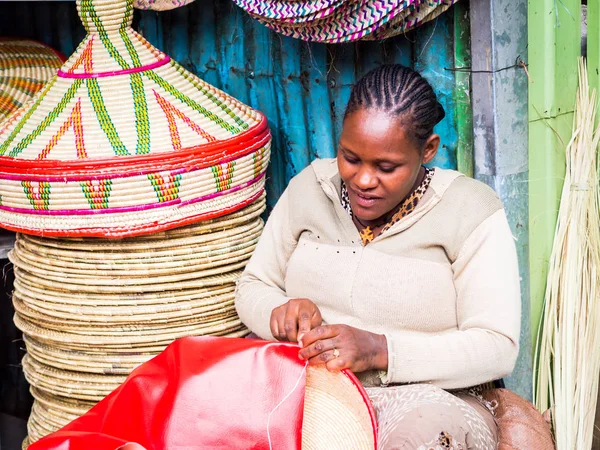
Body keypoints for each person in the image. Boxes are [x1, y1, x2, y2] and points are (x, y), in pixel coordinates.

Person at [235, 64, 521, 449]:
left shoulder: (470, 210)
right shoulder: (309, 187)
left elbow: (496, 346)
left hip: (428, 400)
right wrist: (279, 310)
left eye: (386, 167)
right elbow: (254, 284)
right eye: (350, 158)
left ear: (429, 150)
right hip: (306, 386)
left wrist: (380, 350)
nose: (364, 180)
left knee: (426, 436)